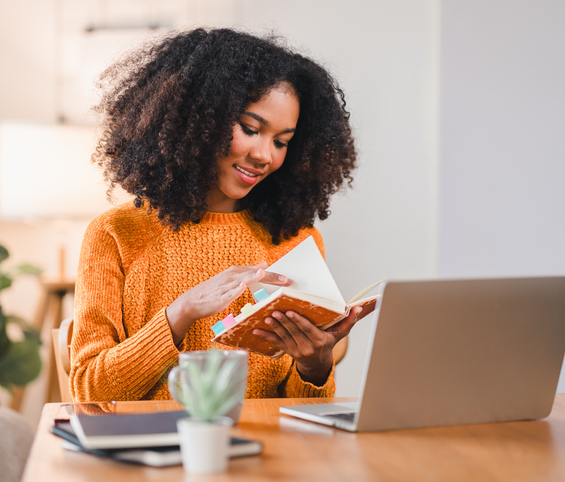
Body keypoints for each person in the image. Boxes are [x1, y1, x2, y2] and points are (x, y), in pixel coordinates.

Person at [70, 28, 359, 402]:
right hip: (151, 454)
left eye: (281, 141)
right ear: (197, 120)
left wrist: (315, 366)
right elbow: (89, 391)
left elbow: (305, 416)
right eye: (251, 129)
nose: (264, 155)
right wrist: (181, 313)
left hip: (268, 455)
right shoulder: (115, 234)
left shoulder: (297, 240)